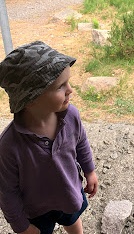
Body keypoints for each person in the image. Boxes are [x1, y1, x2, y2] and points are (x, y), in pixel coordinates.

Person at [0, 41, 98, 234]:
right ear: (31, 99)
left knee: (73, 219)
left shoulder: (70, 116)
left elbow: (81, 142)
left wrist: (89, 171)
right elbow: (7, 192)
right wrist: (23, 227)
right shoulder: (9, 146)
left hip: (69, 192)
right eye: (61, 86)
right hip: (36, 210)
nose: (70, 90)